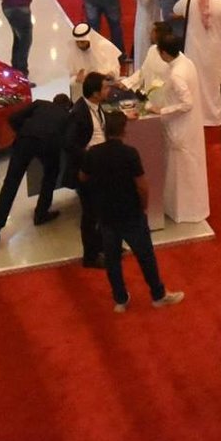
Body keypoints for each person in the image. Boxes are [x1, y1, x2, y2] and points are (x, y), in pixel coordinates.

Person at [80, 111, 184, 312]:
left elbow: (83, 176)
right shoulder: (129, 153)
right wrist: (144, 205)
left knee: (112, 259)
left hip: (106, 213)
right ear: (123, 131)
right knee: (145, 256)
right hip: (130, 212)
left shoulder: (93, 153)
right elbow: (142, 185)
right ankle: (158, 295)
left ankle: (120, 299)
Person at [0, 92, 71, 247]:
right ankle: (41, 213)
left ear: (53, 100)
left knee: (10, 184)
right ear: (67, 106)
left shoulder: (40, 103)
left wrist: (23, 132)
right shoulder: (67, 115)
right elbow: (68, 139)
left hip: (24, 142)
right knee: (51, 174)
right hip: (48, 144)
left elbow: (13, 118)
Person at [144, 29, 208, 223]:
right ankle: (188, 208)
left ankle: (182, 210)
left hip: (179, 125)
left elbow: (187, 103)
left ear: (164, 53)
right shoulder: (186, 62)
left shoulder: (177, 74)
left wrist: (161, 110)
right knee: (187, 166)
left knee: (179, 168)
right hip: (189, 125)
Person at [174, 0, 221, 126]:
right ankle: (214, 116)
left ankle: (196, 115)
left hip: (194, 50)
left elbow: (176, 9)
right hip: (215, 51)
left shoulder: (189, 0)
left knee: (195, 82)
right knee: (214, 83)